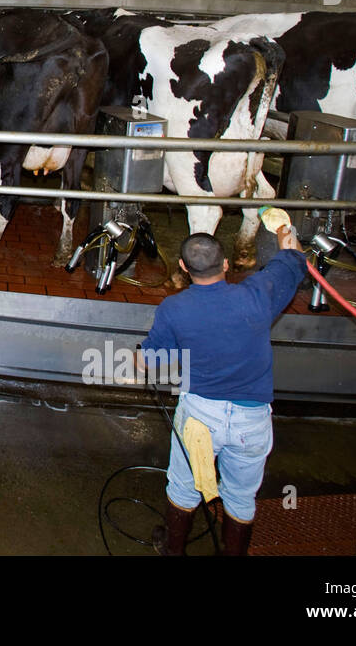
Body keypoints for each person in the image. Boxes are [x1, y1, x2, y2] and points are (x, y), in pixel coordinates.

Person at [138, 225, 305, 556]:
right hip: (252, 420)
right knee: (241, 496)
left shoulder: (174, 308)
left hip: (201, 417)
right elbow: (293, 262)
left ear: (183, 269)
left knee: (185, 486)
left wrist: (137, 356)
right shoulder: (258, 294)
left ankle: (173, 550)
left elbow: (151, 361)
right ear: (226, 264)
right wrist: (289, 243)